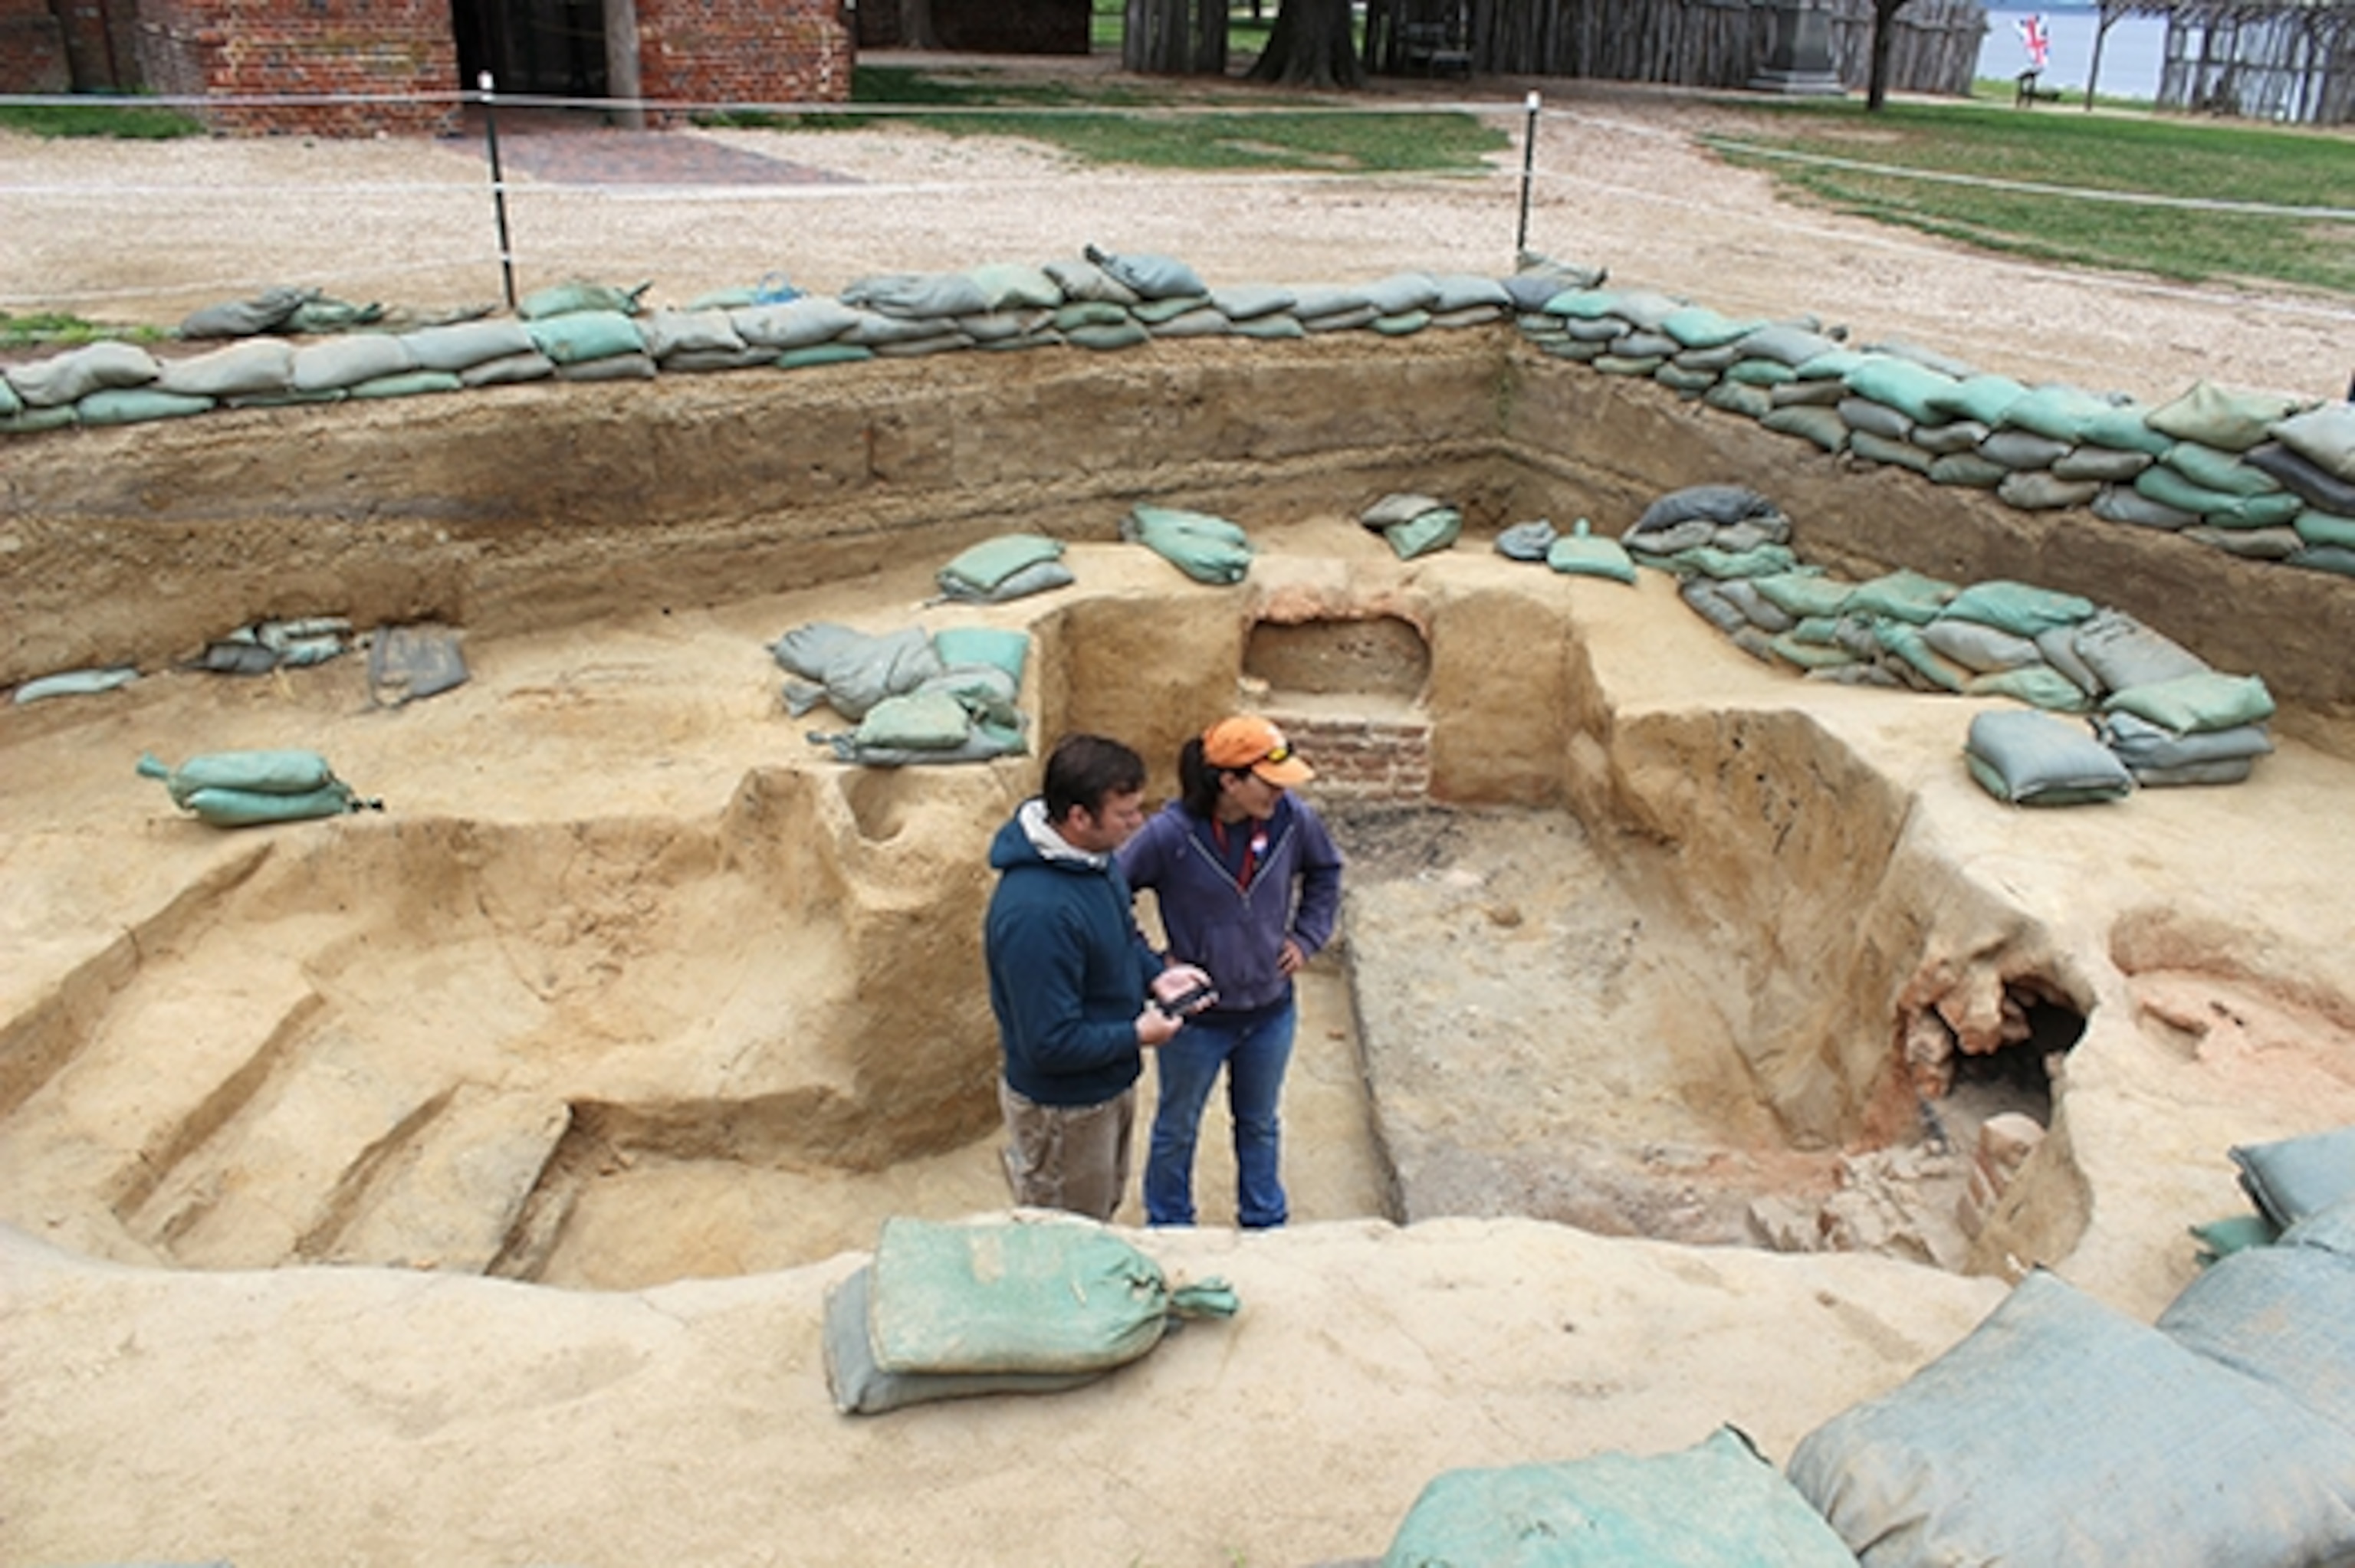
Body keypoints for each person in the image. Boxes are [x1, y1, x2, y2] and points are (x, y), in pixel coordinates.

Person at [1118, 716, 1343, 1229]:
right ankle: (1171, 1226)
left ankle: (1264, 1220)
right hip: (1198, 1022)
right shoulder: (1169, 836)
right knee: (1178, 1127)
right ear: (1230, 782)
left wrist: (1307, 937)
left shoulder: (1292, 821)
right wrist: (1154, 965)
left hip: (1270, 1012)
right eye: (1269, 783)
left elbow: (1326, 872)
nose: (1282, 794)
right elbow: (1111, 896)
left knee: (1260, 1124)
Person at [984, 733, 1213, 1222]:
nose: (1139, 823)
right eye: (1125, 814)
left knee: (1100, 1208)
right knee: (1067, 1234)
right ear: (1078, 817)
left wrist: (1159, 977)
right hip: (1063, 1110)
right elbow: (1048, 1042)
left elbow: (1122, 934)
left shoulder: (1094, 860)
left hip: (1105, 1084)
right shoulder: (1036, 914)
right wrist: (1138, 1033)